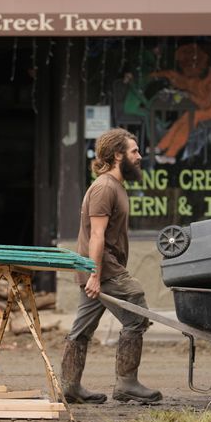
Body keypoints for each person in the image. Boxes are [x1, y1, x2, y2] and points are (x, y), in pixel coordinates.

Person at [61, 128, 162, 404]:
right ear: (118, 155)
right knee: (137, 312)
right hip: (104, 269)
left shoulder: (115, 185)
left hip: (97, 268)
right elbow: (96, 235)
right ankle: (127, 383)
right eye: (134, 151)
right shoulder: (105, 188)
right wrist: (95, 275)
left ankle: (70, 387)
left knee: (82, 328)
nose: (139, 156)